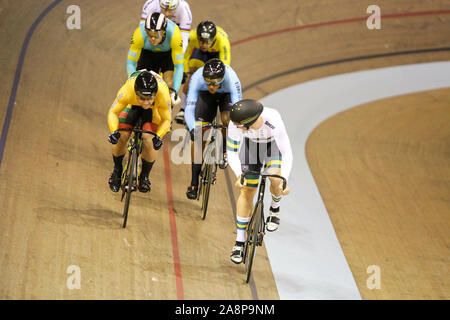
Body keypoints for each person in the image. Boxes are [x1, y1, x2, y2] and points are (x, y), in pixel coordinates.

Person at [226, 99, 293, 264]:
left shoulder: (273, 119)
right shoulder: (235, 124)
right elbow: (232, 151)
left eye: (240, 126)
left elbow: (286, 152)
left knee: (275, 179)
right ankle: (240, 241)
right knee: (247, 189)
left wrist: (284, 177)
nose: (237, 128)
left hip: (273, 147)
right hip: (251, 148)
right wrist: (239, 174)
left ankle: (275, 209)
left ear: (250, 122)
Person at [184, 58, 242, 199]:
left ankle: (223, 150)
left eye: (215, 82)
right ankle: (193, 183)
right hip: (205, 98)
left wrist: (236, 129)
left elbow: (238, 109)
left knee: (228, 119)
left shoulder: (232, 78)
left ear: (222, 79)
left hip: (226, 96)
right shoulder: (198, 77)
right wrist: (193, 129)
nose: (211, 86)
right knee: (198, 138)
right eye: (208, 81)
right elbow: (189, 108)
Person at [107, 70, 172, 194]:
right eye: (142, 98)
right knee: (122, 135)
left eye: (149, 98)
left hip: (154, 110)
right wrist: (114, 131)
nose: (146, 102)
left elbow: (166, 119)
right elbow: (113, 112)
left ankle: (144, 176)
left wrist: (158, 137)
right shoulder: (127, 90)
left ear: (155, 94)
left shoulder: (163, 94)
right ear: (136, 93)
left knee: (150, 140)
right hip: (131, 105)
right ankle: (117, 171)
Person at [175, 20, 231, 125]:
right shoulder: (192, 36)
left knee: (217, 79)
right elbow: (186, 55)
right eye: (201, 41)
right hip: (200, 53)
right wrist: (185, 71)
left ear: (213, 39)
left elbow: (225, 64)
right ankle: (182, 110)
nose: (204, 44)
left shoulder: (222, 41)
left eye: (207, 42)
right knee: (190, 78)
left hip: (216, 54)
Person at [127, 12, 183, 106]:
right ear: (145, 31)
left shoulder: (175, 34)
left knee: (169, 84)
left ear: (164, 32)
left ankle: (166, 116)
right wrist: (132, 81)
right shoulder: (139, 34)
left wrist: (175, 91)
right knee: (139, 86)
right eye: (149, 34)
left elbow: (179, 66)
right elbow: (130, 63)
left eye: (156, 35)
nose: (152, 38)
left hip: (167, 56)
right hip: (147, 55)